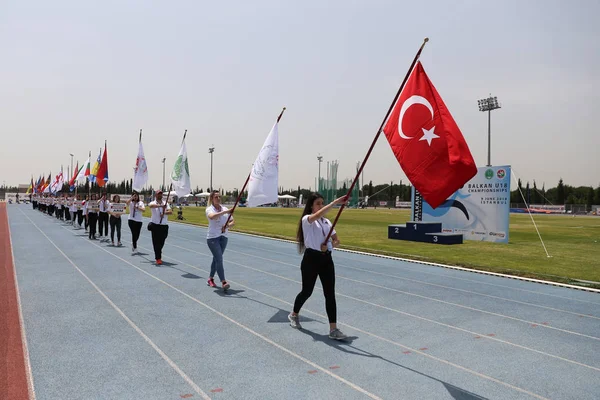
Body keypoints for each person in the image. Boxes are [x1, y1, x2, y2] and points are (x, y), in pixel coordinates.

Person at [288, 193, 348, 340]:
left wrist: (331, 244)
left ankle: (333, 329)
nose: (321, 206)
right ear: (311, 206)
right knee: (307, 291)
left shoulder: (327, 222)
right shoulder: (307, 220)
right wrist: (335, 202)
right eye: (318, 203)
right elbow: (317, 215)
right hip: (311, 260)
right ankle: (294, 314)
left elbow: (336, 240)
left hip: (326, 260)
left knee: (330, 294)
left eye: (322, 203)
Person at [205, 190, 234, 290]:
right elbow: (212, 217)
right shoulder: (209, 209)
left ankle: (210, 278)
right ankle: (223, 281)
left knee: (216, 259)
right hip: (213, 238)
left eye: (219, 197)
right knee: (219, 259)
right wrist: (226, 212)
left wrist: (227, 226)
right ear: (212, 199)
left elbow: (232, 221)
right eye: (216, 197)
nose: (218, 198)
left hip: (223, 237)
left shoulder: (224, 208)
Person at [148, 190, 172, 265]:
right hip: (155, 225)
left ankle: (158, 251)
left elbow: (170, 211)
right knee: (156, 242)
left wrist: (164, 213)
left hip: (164, 225)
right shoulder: (153, 202)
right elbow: (151, 206)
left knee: (162, 241)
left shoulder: (166, 203)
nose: (160, 195)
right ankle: (158, 258)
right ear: (156, 195)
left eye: (161, 194)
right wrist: (161, 206)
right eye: (158, 194)